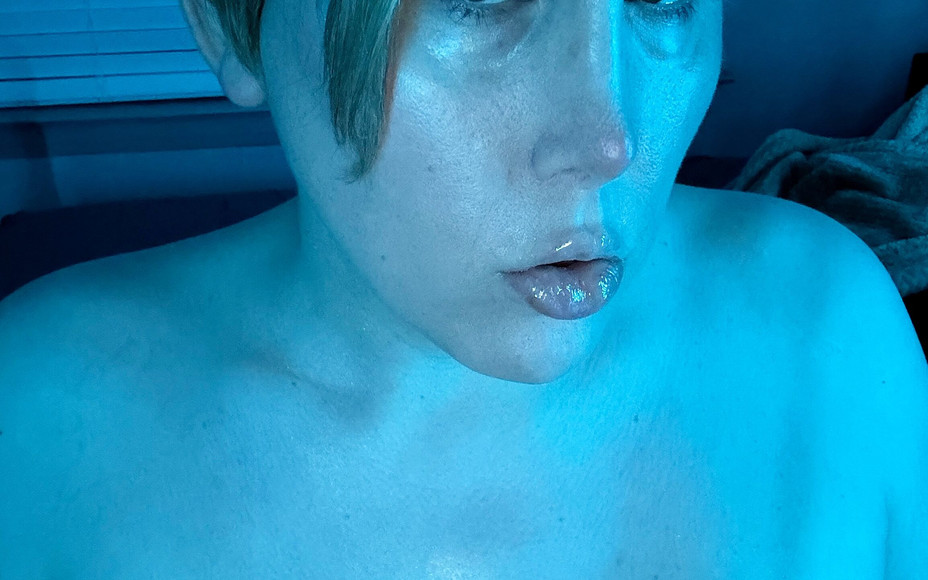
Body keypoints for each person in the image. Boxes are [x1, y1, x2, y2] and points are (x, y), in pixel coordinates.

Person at [0, 0, 925, 577]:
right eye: (475, 1)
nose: (609, 141)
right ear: (224, 18)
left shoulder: (833, 337)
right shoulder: (39, 430)